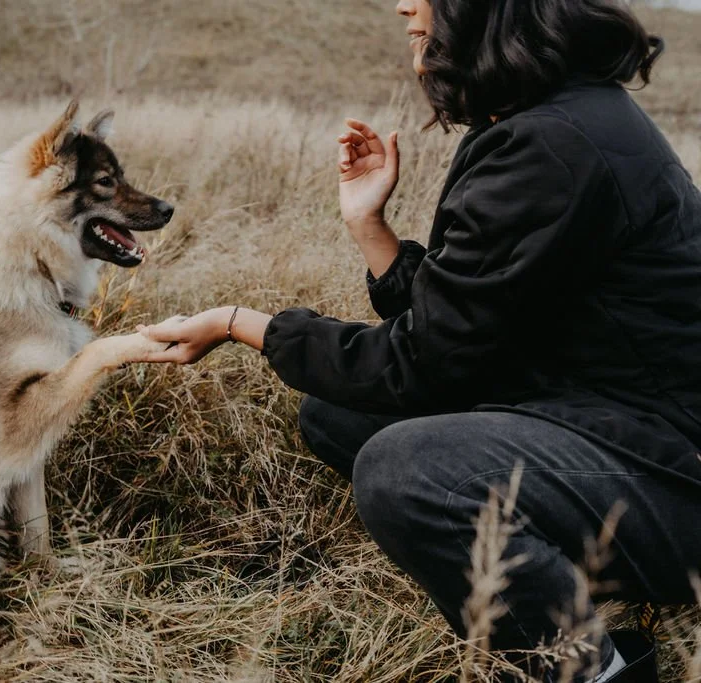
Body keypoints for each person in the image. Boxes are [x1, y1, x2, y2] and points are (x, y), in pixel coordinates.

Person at [130, 0, 701, 681]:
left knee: (412, 470)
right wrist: (371, 228)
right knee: (337, 413)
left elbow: (416, 367)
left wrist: (237, 323)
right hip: (615, 417)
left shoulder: (552, 144)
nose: (404, 3)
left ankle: (591, 669)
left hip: (674, 472)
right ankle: (548, 569)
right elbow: (463, 331)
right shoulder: (554, 116)